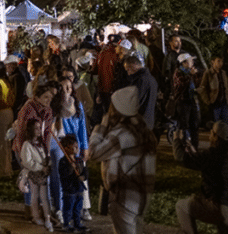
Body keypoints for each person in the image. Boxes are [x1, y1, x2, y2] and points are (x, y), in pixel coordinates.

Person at [87, 86, 157, 234]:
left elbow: (94, 153)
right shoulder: (142, 128)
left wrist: (100, 127)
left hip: (125, 197)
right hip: (142, 196)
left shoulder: (120, 135)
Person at [172, 120, 228, 234]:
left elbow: (180, 158)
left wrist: (176, 140)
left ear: (215, 136)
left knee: (182, 206)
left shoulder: (213, 154)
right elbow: (208, 163)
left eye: (211, 132)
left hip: (223, 208)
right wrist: (195, 153)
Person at [20, 118, 54, 231]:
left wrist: (48, 164)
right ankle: (35, 216)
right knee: (34, 196)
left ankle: (47, 218)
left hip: (43, 175)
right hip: (34, 175)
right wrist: (40, 167)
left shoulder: (41, 144)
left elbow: (45, 156)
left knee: (45, 197)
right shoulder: (27, 145)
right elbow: (27, 162)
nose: (39, 130)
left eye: (40, 128)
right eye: (36, 128)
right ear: (31, 130)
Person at [169, 53, 201, 148]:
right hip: (183, 102)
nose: (193, 62)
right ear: (184, 62)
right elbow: (180, 85)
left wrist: (196, 76)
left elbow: (197, 83)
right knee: (185, 125)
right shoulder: (178, 72)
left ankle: (195, 147)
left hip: (193, 100)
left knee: (195, 125)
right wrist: (190, 75)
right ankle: (186, 146)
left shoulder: (191, 71)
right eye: (191, 60)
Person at [58, 134, 88, 233]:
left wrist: (83, 176)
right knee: (68, 208)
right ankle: (66, 224)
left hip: (79, 188)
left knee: (77, 208)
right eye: (74, 147)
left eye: (77, 146)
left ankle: (77, 223)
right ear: (66, 148)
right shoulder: (63, 162)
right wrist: (71, 167)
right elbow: (64, 174)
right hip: (69, 189)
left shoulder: (79, 159)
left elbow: (85, 171)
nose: (77, 148)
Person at [122, 55, 158, 129]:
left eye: (128, 69)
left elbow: (135, 101)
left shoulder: (140, 80)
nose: (128, 73)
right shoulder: (151, 79)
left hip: (139, 122)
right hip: (148, 121)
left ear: (134, 65)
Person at [200, 55, 228, 124]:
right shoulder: (208, 73)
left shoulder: (223, 73)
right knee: (216, 124)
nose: (220, 63)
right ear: (212, 62)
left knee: (227, 123)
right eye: (218, 61)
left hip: (224, 101)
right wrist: (207, 101)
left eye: (222, 61)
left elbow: (227, 88)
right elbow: (203, 88)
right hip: (215, 101)